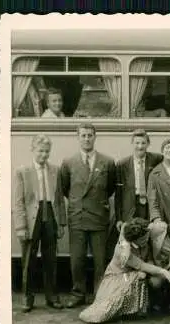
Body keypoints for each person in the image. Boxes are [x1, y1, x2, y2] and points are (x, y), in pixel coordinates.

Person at [60, 123, 117, 308]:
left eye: (90, 135)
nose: (87, 138)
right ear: (78, 138)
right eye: (83, 135)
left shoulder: (107, 162)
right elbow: (65, 189)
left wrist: (96, 203)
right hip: (78, 216)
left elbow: (110, 188)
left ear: (95, 137)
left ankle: (99, 294)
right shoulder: (68, 162)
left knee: (100, 260)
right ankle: (78, 293)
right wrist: (80, 204)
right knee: (77, 259)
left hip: (99, 216)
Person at [79, 218, 170, 324]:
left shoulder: (142, 242)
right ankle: (120, 311)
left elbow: (125, 224)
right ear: (135, 239)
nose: (147, 239)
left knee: (140, 275)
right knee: (109, 308)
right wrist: (163, 271)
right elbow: (142, 265)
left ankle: (133, 310)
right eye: (144, 238)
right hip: (116, 279)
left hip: (130, 274)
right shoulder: (123, 252)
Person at [13, 135, 66, 312]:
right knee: (29, 261)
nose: (44, 155)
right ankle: (27, 298)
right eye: (40, 151)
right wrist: (20, 227)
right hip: (31, 220)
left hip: (50, 215)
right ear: (33, 150)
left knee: (51, 259)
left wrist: (62, 223)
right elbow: (18, 202)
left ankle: (52, 296)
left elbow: (58, 200)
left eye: (47, 151)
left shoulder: (55, 170)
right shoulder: (23, 171)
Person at [115, 129, 164, 227]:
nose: (140, 146)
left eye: (143, 143)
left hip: (149, 205)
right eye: (137, 143)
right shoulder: (122, 164)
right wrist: (119, 218)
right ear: (132, 143)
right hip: (131, 206)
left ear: (148, 144)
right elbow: (118, 194)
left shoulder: (156, 159)